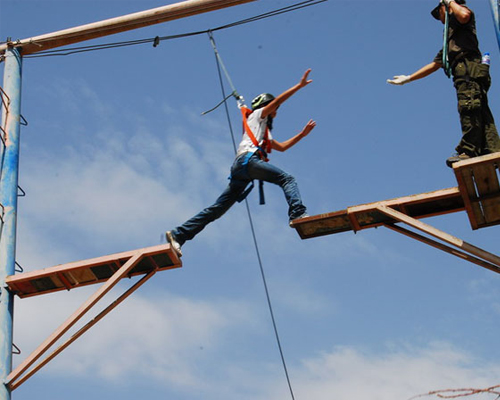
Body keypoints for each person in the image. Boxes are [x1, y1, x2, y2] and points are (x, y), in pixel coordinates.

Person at [166, 69, 316, 256]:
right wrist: (298, 86)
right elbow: (277, 101)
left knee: (217, 209)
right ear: (266, 106)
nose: (276, 111)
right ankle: (298, 213)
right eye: (274, 108)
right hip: (248, 162)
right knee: (287, 179)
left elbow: (283, 147)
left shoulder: (263, 132)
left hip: (242, 170)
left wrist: (302, 134)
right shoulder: (257, 114)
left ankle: (179, 235)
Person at [387, 0, 500, 167]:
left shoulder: (462, 19)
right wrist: (409, 78)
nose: (439, 18)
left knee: (469, 107)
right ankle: (492, 151)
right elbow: (435, 64)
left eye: (439, 12)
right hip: (466, 72)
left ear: (445, 8)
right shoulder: (451, 38)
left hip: (468, 70)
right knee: (479, 111)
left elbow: (464, 15)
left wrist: (449, 1)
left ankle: (468, 150)